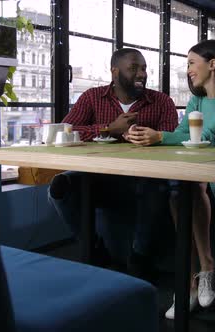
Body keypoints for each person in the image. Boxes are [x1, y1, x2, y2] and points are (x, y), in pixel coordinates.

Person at [127, 40, 215, 319]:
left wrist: (161, 136)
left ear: (212, 64)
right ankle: (187, 286)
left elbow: (207, 136)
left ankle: (206, 268)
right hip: (200, 179)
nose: (188, 70)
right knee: (179, 189)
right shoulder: (197, 100)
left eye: (191, 63)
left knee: (190, 185)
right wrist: (151, 137)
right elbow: (182, 132)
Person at [47, 48, 178, 282]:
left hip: (144, 180)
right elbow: (65, 131)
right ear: (114, 72)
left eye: (144, 68)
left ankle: (140, 257)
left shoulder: (162, 101)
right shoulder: (92, 97)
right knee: (60, 186)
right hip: (99, 180)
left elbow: (171, 138)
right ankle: (95, 249)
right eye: (134, 68)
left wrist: (152, 137)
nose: (141, 74)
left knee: (155, 186)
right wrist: (108, 129)